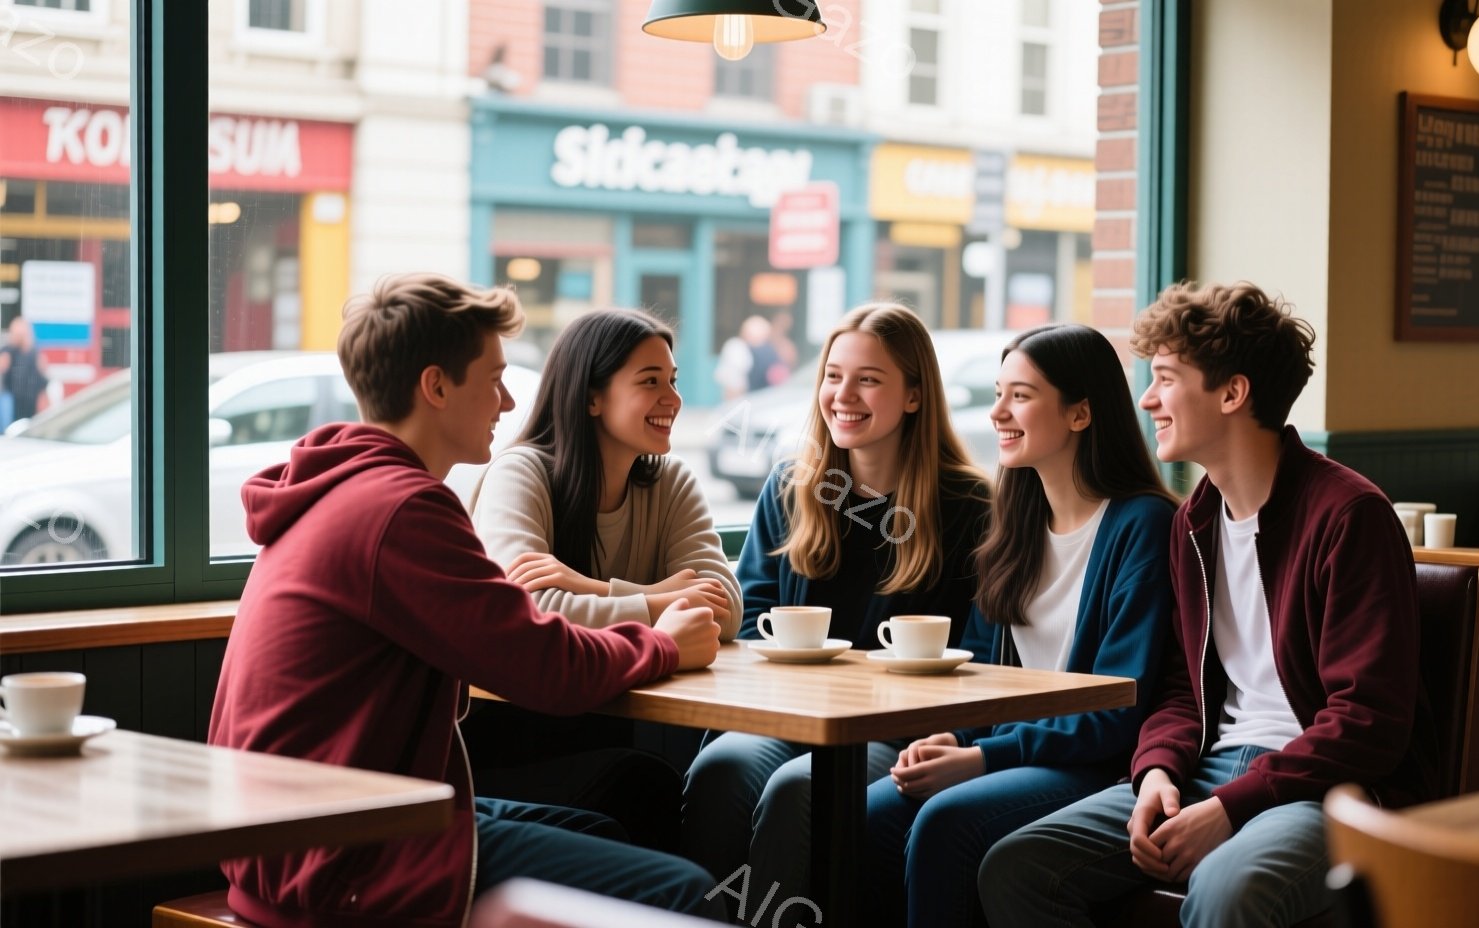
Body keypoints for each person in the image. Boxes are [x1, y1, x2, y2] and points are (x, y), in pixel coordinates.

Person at [207, 273, 726, 928]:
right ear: (436, 386)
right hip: (338, 859)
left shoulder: (350, 488)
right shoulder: (399, 509)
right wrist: (663, 642)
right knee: (688, 892)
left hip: (302, 838)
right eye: (494, 377)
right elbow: (546, 667)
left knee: (615, 830)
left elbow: (523, 638)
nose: (509, 401)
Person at [979, 282, 1437, 928]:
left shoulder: (1349, 516)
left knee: (1225, 889)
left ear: (1232, 393)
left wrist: (1230, 808)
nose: (1146, 399)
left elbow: (1367, 722)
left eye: (1165, 378)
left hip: (1326, 789)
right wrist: (1156, 773)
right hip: (1208, 767)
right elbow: (1177, 688)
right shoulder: (1193, 521)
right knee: (1018, 866)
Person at [863, 324, 1174, 928]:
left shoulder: (1142, 525)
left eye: (1021, 396)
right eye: (998, 392)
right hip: (1017, 753)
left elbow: (1116, 710)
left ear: (1081, 413)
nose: (999, 412)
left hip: (1096, 762)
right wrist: (956, 738)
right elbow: (980, 669)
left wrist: (983, 758)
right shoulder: (1015, 522)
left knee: (945, 819)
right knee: (870, 815)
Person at [682, 301, 992, 901]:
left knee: (803, 787)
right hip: (790, 714)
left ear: (913, 395)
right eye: (833, 375)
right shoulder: (792, 486)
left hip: (897, 732)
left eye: (868, 379)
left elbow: (984, 651)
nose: (843, 395)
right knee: (723, 768)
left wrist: (954, 734)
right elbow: (751, 619)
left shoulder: (970, 506)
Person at [467, 307, 741, 851]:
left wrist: (589, 587)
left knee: (680, 778)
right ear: (592, 397)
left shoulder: (670, 482)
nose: (673, 399)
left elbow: (722, 608)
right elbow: (529, 612)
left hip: (601, 726)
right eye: (649, 382)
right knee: (647, 784)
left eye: (673, 381)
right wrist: (661, 601)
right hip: (504, 748)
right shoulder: (522, 472)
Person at [0, 316, 49, 427]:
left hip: (30, 402)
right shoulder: (7, 351)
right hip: (12, 404)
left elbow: (43, 380)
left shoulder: (34, 353)